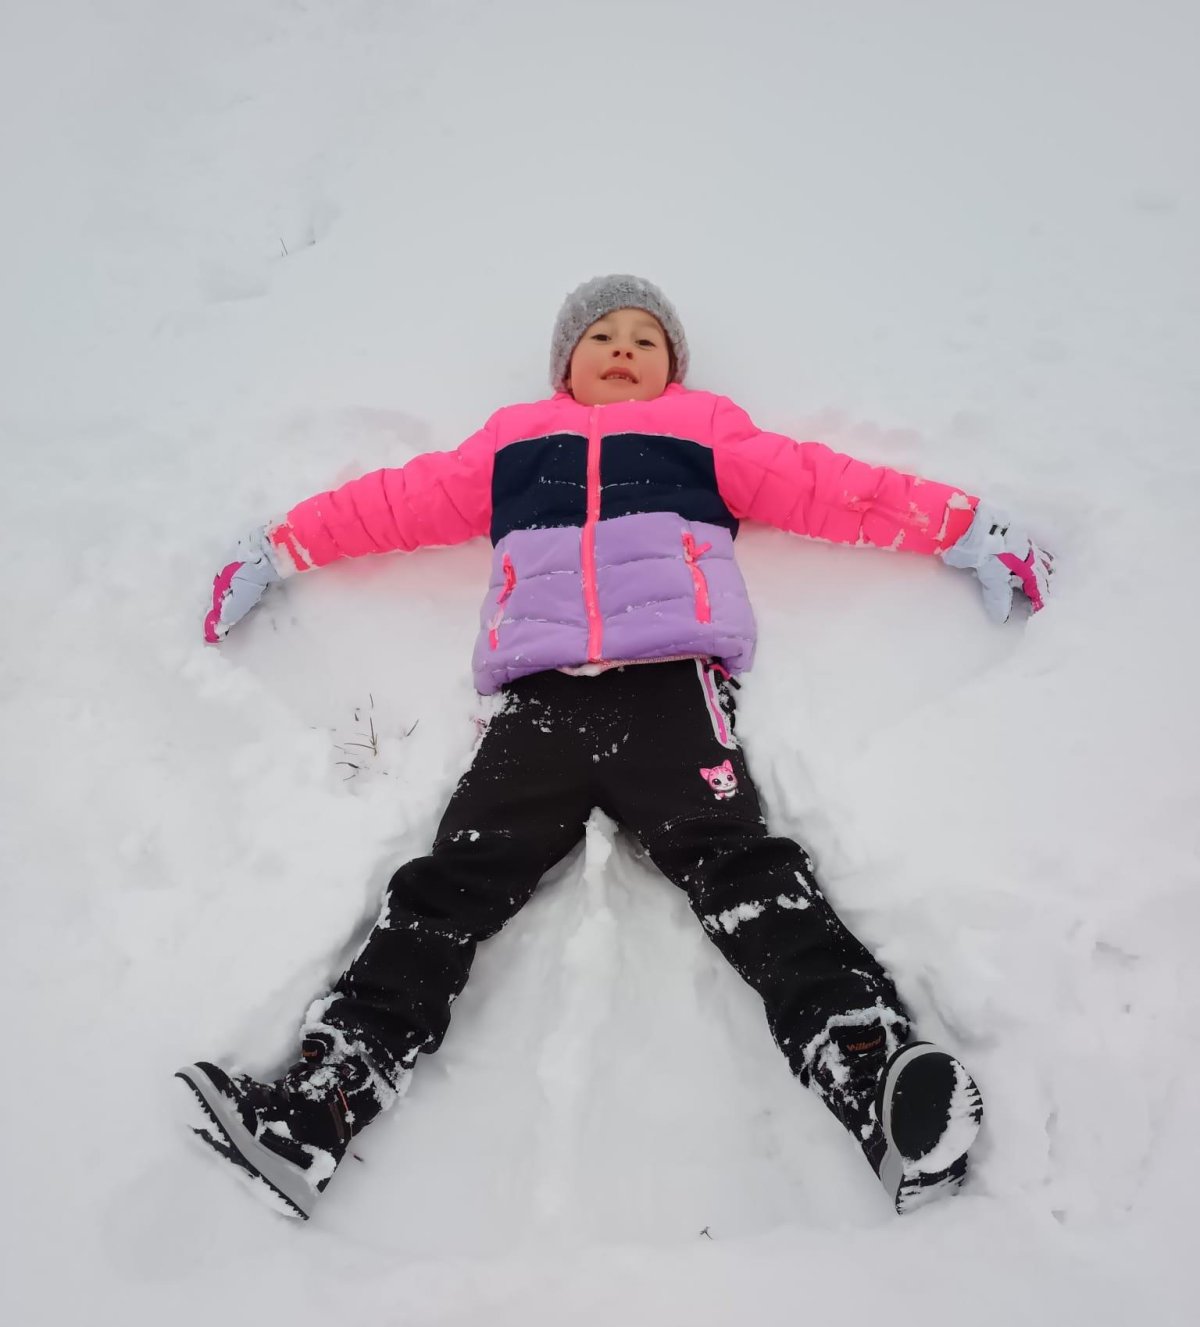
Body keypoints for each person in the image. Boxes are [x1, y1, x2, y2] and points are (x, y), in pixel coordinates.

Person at [178, 274, 1051, 1221]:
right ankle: (316, 1108)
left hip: (670, 692)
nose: (624, 348)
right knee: (450, 885)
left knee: (741, 871)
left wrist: (964, 528)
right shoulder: (512, 444)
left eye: (646, 337)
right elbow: (390, 504)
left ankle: (873, 1074)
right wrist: (276, 548)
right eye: (602, 335)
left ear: (674, 365)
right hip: (540, 706)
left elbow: (831, 488)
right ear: (566, 362)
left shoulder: (705, 432)